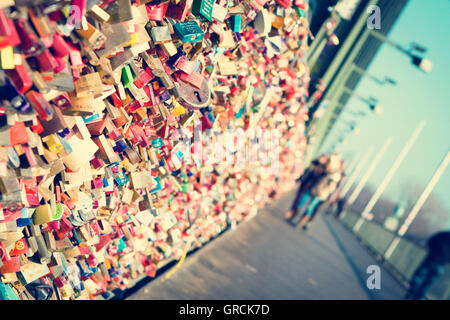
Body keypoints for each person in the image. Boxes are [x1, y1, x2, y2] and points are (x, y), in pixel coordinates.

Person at [295, 154, 343, 230]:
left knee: (311, 206)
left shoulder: (335, 174)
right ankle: (301, 216)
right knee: (306, 203)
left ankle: (304, 219)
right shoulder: (324, 168)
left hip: (322, 193)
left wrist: (326, 191)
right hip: (315, 189)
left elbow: (332, 187)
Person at [404, 231, 450, 300]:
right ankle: (418, 297)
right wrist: (446, 261)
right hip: (441, 265)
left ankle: (413, 291)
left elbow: (430, 242)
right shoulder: (442, 235)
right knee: (428, 283)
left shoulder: (442, 235)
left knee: (418, 276)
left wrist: (434, 251)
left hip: (431, 260)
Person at [284, 154, 329, 222]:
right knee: (299, 199)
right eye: (321, 157)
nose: (321, 159)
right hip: (305, 185)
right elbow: (306, 173)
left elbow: (320, 181)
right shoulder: (314, 163)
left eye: (323, 158)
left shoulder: (324, 171)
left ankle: (295, 215)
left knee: (304, 203)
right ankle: (292, 213)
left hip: (312, 189)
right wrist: (300, 180)